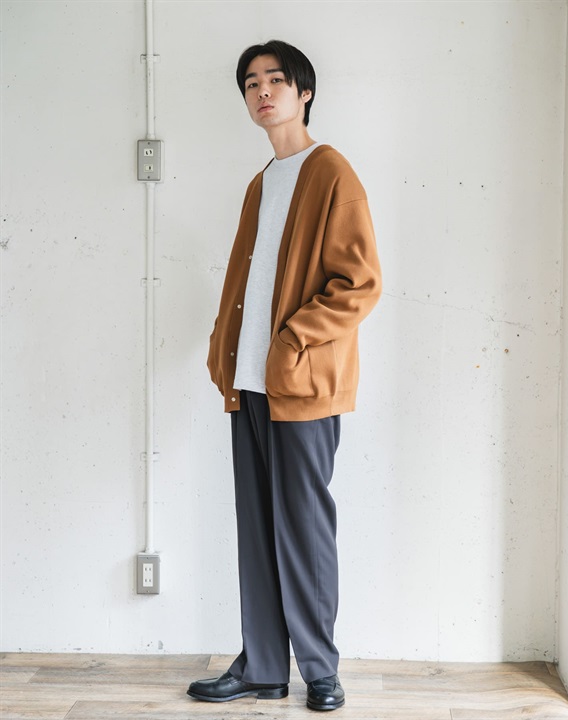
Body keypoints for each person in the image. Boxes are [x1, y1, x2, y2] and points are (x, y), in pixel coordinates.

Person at [187, 39, 381, 712]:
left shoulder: (330, 172)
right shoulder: (262, 182)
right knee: (259, 530)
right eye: (250, 83)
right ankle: (264, 667)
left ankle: (321, 671)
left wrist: (294, 339)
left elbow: (359, 283)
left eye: (275, 79)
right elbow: (247, 281)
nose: (262, 91)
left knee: (303, 528)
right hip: (249, 385)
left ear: (304, 92)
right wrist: (225, 350)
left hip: (301, 386)